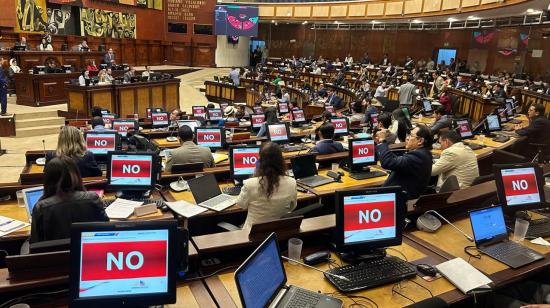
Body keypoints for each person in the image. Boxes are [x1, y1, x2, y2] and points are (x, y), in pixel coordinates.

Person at [30, 156, 108, 243]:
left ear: (48, 180)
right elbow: (106, 231)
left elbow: (34, 244)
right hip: (88, 254)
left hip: (54, 256)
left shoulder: (41, 207)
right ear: (77, 175)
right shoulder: (93, 198)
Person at [236, 142, 297, 230]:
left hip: (252, 235)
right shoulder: (292, 182)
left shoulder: (250, 184)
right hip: (279, 232)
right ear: (281, 161)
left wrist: (255, 175)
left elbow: (241, 205)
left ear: (259, 162)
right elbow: (292, 206)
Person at [375, 124, 433, 199]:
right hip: (397, 196)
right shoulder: (423, 154)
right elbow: (397, 162)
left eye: (411, 136)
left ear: (420, 141)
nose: (407, 138)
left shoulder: (418, 156)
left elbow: (388, 162)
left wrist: (382, 141)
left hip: (396, 200)